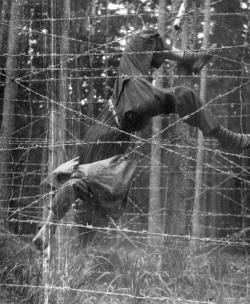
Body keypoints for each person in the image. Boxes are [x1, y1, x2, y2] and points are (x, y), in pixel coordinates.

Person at [33, 29, 250, 250]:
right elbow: (73, 189)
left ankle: (188, 57)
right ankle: (225, 137)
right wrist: (48, 228)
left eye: (76, 208)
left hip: (117, 99)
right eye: (79, 210)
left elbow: (66, 187)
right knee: (184, 94)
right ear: (91, 215)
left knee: (145, 38)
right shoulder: (98, 188)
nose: (76, 207)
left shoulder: (84, 183)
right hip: (128, 111)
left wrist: (55, 219)